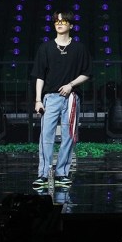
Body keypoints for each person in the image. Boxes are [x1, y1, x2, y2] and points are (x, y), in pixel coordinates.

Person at [31, 11, 92, 189]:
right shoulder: (45, 48)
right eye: (57, 21)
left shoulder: (79, 48)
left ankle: (62, 173)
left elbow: (87, 73)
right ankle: (43, 174)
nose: (59, 24)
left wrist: (71, 85)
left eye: (64, 21)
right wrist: (38, 100)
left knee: (69, 136)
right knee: (46, 136)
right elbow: (39, 75)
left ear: (71, 25)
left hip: (71, 98)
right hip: (50, 97)